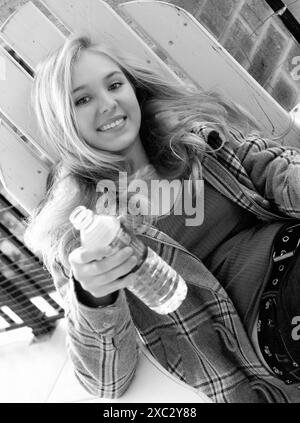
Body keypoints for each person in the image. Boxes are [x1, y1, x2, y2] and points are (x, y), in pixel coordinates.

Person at [24, 34, 300, 403]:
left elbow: (281, 174)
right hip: (262, 331)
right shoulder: (78, 238)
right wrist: (95, 296)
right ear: (61, 122)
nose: (108, 104)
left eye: (115, 84)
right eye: (83, 99)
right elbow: (106, 382)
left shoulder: (199, 139)